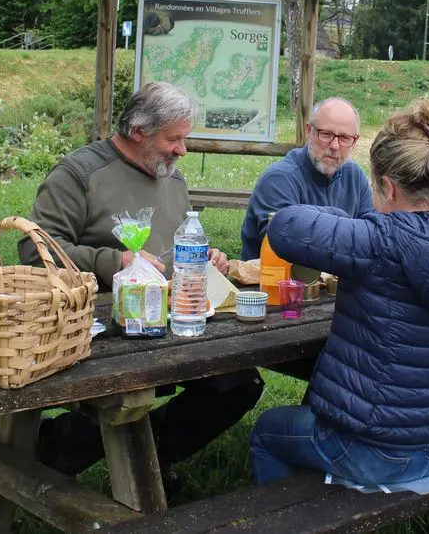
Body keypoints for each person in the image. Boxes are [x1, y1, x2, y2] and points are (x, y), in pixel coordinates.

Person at [247, 98, 429, 486]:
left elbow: (284, 226)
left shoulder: (375, 241)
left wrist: (354, 223)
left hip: (377, 451)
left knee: (267, 432)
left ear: (387, 186)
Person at [25, 82, 261, 488]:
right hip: (102, 326)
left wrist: (204, 259)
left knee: (239, 383)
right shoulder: (79, 174)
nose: (182, 150)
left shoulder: (172, 177)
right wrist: (115, 261)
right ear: (138, 132)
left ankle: (142, 452)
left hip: (168, 320)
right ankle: (70, 449)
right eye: (174, 139)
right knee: (132, 388)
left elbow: (171, 253)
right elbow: (34, 250)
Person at [239, 97, 374, 259]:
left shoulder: (355, 177)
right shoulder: (278, 180)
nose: (334, 146)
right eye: (326, 134)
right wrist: (345, 222)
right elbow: (286, 245)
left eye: (344, 138)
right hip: (273, 281)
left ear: (355, 141)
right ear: (309, 131)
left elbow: (371, 240)